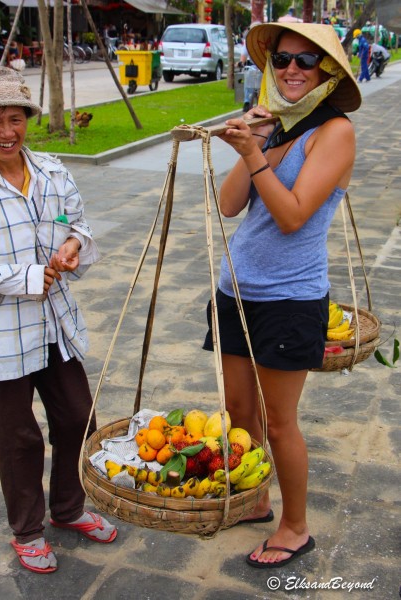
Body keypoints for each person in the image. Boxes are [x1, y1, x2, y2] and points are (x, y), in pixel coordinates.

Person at [203, 22, 361, 568]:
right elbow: (229, 206)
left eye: (306, 61)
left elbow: (293, 216)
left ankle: (295, 527)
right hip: (235, 290)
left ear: (328, 73)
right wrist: (250, 140)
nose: (292, 69)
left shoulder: (334, 132)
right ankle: (255, 498)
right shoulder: (275, 127)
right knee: (239, 410)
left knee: (278, 421)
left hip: (289, 299)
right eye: (283, 60)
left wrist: (254, 154)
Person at [0, 67, 117, 574]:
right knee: (18, 437)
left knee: (78, 417)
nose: (7, 131)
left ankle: (70, 509)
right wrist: (27, 276)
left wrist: (74, 245)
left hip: (56, 323)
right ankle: (27, 530)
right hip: (0, 336)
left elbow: (78, 225)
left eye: (15, 118)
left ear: (28, 120)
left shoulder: (53, 171)